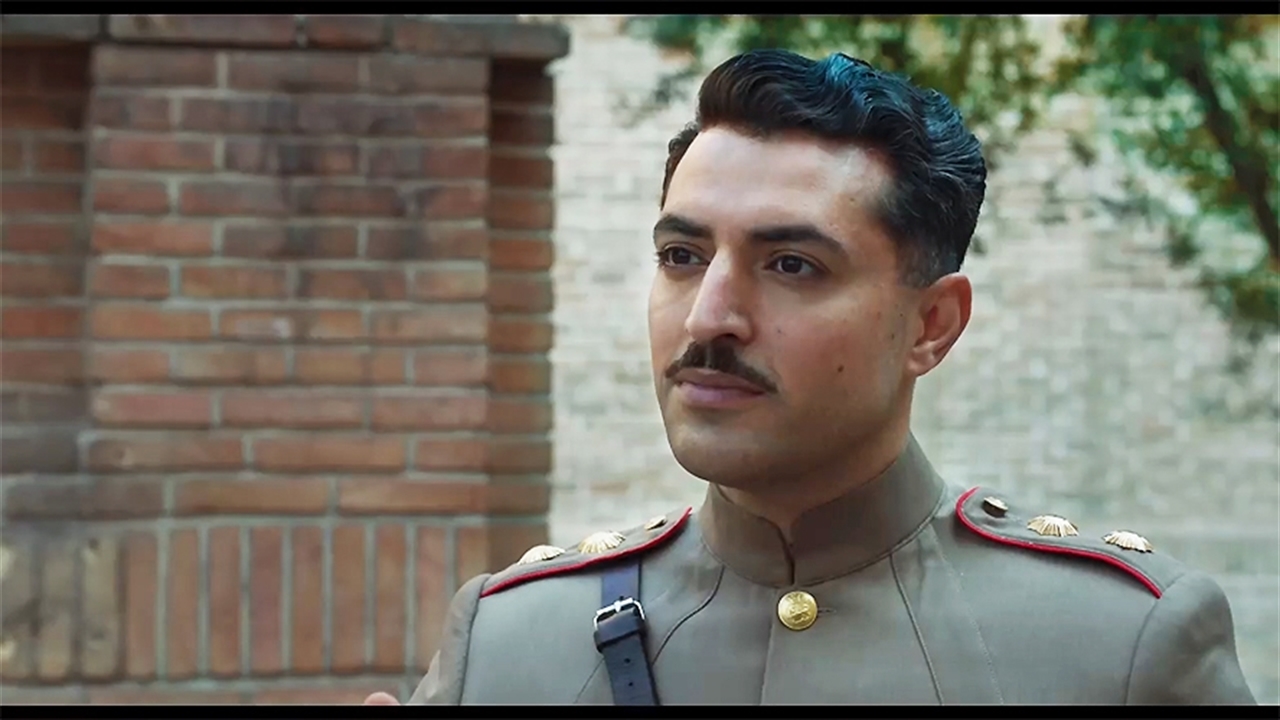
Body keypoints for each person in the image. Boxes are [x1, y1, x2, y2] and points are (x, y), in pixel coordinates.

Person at [365, 49, 1257, 705]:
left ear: (932, 325)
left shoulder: (1118, 647)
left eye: (791, 265)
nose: (709, 317)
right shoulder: (511, 646)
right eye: (681, 256)